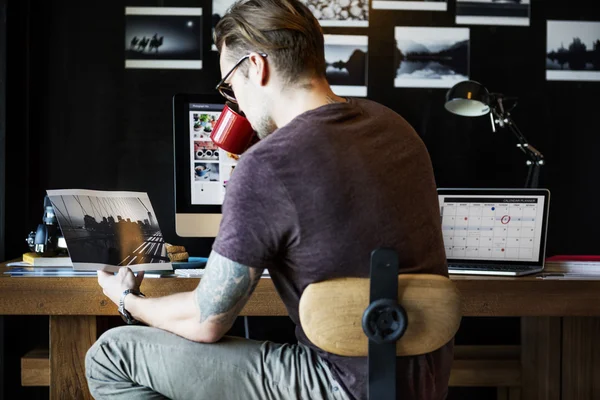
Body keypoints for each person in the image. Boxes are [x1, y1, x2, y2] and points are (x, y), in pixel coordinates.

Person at [85, 0, 453, 399]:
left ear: (256, 68)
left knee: (111, 355)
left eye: (230, 86)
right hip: (424, 384)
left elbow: (205, 322)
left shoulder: (268, 165)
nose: (236, 103)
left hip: (336, 386)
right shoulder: (395, 127)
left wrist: (128, 300)